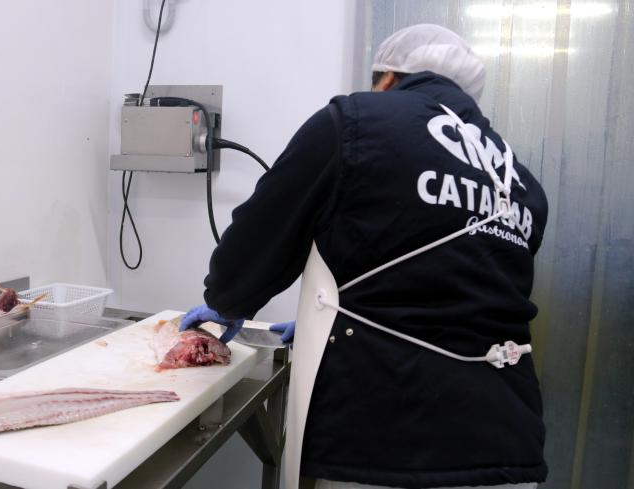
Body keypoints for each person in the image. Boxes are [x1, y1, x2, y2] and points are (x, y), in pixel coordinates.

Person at [181, 24, 548, 489]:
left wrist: (227, 299)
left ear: (388, 78)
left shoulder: (355, 120)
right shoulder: (521, 182)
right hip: (509, 446)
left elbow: (255, 243)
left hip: (386, 444)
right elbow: (460, 287)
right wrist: (325, 322)